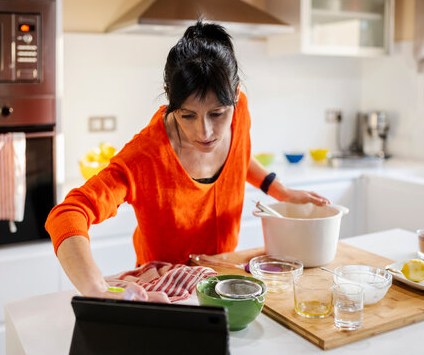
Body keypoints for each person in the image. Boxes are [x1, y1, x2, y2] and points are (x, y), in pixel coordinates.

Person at [45, 20, 329, 302]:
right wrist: (96, 289)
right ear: (170, 98)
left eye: (217, 113)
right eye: (188, 115)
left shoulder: (240, 111)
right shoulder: (145, 156)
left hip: (223, 277)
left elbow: (239, 157)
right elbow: (67, 215)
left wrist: (282, 192)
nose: (204, 133)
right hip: (168, 292)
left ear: (236, 94)